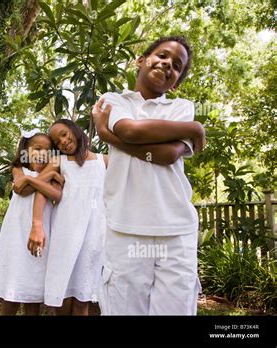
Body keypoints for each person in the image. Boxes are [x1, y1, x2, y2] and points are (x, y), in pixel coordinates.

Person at [92, 36, 206, 315]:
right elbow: (131, 131)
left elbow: (167, 156)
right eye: (162, 55)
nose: (168, 64)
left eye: (177, 65)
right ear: (141, 60)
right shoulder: (113, 100)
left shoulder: (181, 108)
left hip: (176, 229)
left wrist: (107, 134)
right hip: (126, 227)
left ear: (176, 82)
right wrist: (193, 129)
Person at [28, 119, 107, 316]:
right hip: (65, 235)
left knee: (82, 297)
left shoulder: (104, 161)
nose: (62, 141)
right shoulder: (59, 162)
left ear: (74, 130)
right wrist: (37, 225)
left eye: (64, 134)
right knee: (61, 297)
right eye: (57, 141)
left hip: (93, 236)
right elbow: (40, 190)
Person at [0, 129, 64, 315]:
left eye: (48, 151)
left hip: (40, 233)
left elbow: (56, 195)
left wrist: (36, 179)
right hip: (16, 233)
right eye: (37, 149)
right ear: (25, 150)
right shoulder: (18, 169)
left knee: (33, 288)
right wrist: (44, 177)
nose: (42, 154)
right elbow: (22, 189)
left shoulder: (53, 171)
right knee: (13, 285)